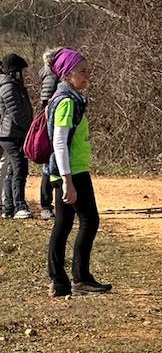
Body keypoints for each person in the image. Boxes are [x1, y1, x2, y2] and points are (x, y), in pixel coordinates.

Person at [46, 49, 109, 296]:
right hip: (72, 173)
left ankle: (59, 282)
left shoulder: (67, 98)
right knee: (89, 221)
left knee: (63, 224)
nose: (87, 76)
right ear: (67, 73)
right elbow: (59, 143)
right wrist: (67, 181)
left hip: (67, 171)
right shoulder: (67, 102)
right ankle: (80, 278)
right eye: (82, 71)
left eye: (88, 71)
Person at [0, 53, 33, 219]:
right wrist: (30, 128)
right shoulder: (9, 87)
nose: (26, 74)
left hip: (15, 133)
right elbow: (17, 113)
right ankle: (19, 205)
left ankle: (9, 208)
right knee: (19, 168)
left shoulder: (16, 86)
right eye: (23, 71)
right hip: (10, 134)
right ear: (15, 71)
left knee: (14, 170)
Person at [37, 49, 58, 220]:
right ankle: (46, 205)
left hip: (52, 119)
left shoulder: (49, 74)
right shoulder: (51, 76)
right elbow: (47, 100)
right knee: (49, 165)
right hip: (51, 121)